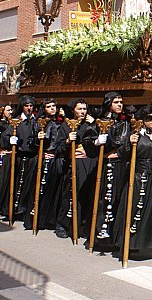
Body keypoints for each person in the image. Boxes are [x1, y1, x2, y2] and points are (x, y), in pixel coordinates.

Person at [113, 104, 152, 256]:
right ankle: (130, 243)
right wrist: (129, 143)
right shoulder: (135, 134)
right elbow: (123, 154)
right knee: (136, 209)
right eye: (149, 118)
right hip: (140, 177)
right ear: (142, 119)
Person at [83, 92, 130, 248]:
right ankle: (98, 236)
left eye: (121, 102)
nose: (119, 105)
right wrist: (97, 141)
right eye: (116, 102)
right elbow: (88, 143)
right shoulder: (99, 123)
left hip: (121, 166)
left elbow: (125, 145)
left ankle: (115, 237)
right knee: (103, 199)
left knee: (118, 199)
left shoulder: (126, 123)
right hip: (105, 167)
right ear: (109, 103)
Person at [54, 98, 96, 239]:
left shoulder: (90, 125)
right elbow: (58, 149)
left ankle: (81, 226)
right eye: (79, 109)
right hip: (71, 164)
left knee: (84, 196)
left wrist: (94, 125)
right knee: (68, 195)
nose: (82, 112)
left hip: (87, 165)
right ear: (73, 110)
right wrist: (67, 141)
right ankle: (63, 224)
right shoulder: (66, 126)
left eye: (84, 109)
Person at [23, 98, 63, 231]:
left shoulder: (61, 122)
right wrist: (38, 140)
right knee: (37, 189)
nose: (52, 108)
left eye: (54, 106)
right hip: (41, 158)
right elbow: (30, 141)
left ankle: (47, 219)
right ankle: (33, 218)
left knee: (52, 191)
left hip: (55, 160)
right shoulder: (38, 122)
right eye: (48, 106)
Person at [0, 95, 39, 222]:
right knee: (14, 183)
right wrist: (9, 140)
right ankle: (9, 209)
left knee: (28, 184)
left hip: (31, 157)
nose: (29, 108)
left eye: (31, 106)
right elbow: (5, 138)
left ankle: (23, 209)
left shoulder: (36, 122)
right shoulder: (15, 121)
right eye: (27, 106)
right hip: (18, 156)